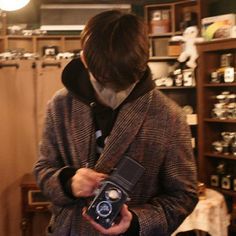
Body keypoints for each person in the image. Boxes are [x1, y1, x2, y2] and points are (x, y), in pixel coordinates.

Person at [34, 10, 198, 236]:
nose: (110, 94)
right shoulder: (60, 105)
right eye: (101, 82)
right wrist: (67, 181)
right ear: (84, 59)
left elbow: (183, 195)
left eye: (122, 86)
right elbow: (43, 169)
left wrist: (136, 223)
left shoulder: (169, 117)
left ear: (143, 62)